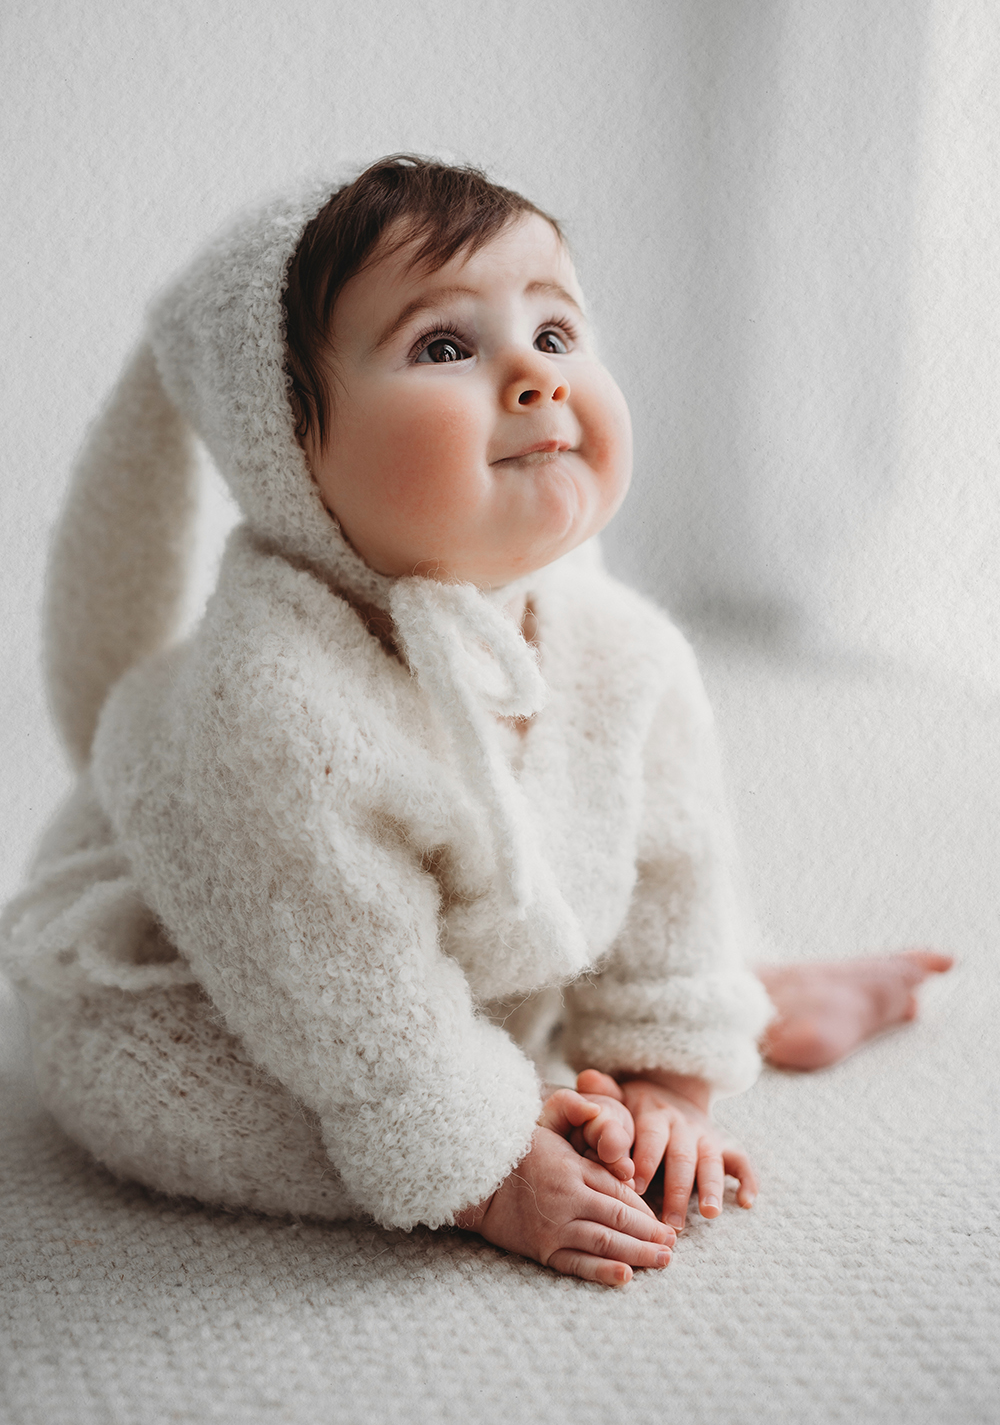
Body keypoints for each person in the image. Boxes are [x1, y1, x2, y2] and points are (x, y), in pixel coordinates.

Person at [0, 156, 951, 1290]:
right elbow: (343, 994)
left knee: (630, 978)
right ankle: (509, 1106)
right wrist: (489, 1170)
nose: (534, 379)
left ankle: (742, 999)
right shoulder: (272, 702)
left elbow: (666, 868)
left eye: (555, 334)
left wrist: (666, 1081)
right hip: (229, 972)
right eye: (445, 346)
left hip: (463, 957)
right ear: (285, 448)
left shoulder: (624, 649)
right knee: (153, 1086)